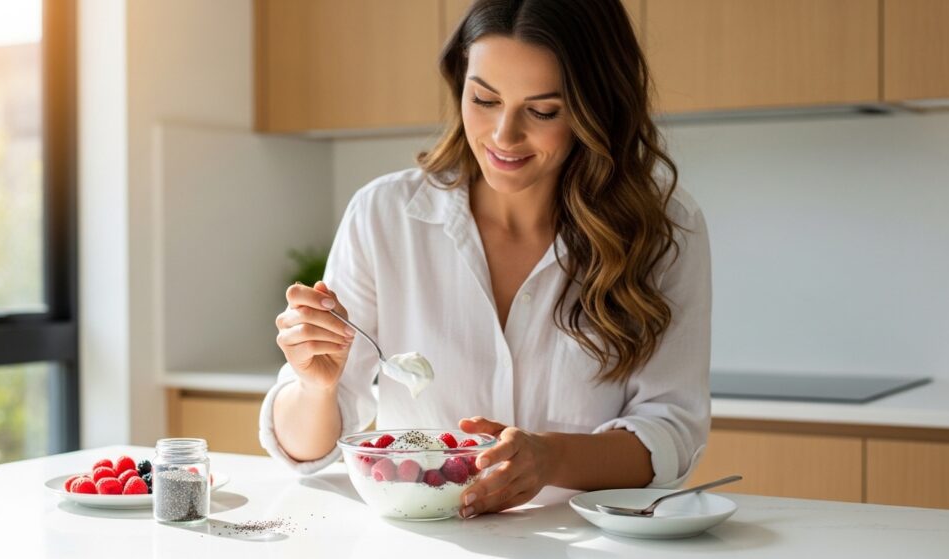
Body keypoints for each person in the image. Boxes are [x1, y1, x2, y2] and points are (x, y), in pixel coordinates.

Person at [259, 0, 711, 519]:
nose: (503, 136)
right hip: (428, 540)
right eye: (484, 99)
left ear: (597, 108)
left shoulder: (664, 230)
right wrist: (317, 388)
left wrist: (550, 457)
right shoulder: (384, 216)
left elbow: (671, 430)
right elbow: (306, 448)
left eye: (542, 111)